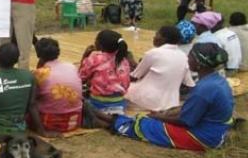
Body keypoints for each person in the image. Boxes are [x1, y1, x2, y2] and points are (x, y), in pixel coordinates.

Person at [84, 43, 234, 152]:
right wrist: (164, 114)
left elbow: (186, 120)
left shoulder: (204, 89)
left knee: (146, 125)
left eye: (191, 56)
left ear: (200, 64)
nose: (188, 58)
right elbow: (189, 110)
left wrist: (159, 117)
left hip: (203, 137)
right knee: (147, 118)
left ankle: (100, 122)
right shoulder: (215, 81)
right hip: (213, 130)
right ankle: (104, 117)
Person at [0, 43, 50, 142]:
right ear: (17, 59)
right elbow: (32, 105)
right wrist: (42, 131)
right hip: (20, 131)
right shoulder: (29, 77)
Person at [126, 26, 195, 111]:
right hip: (172, 103)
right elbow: (190, 84)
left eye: (157, 34)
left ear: (164, 39)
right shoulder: (183, 56)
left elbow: (134, 76)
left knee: (125, 90)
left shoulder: (153, 53)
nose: (154, 37)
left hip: (148, 100)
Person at [32, 38, 83, 133]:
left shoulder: (38, 73)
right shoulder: (71, 67)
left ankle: (40, 129)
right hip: (75, 121)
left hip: (51, 124)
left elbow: (32, 100)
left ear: (38, 54)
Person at [78, 30, 131, 114]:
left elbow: (80, 78)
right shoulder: (124, 60)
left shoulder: (95, 58)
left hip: (99, 103)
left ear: (100, 45)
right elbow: (127, 84)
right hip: (120, 102)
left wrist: (85, 57)